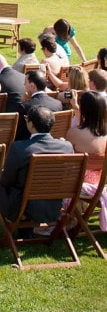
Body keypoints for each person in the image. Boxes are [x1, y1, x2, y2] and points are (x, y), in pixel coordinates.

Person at [0, 106, 74, 226]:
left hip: (23, 207)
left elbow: (7, 180)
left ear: (31, 124)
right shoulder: (66, 147)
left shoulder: (19, 148)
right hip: (54, 205)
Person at [66, 92, 107, 232]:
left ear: (85, 110)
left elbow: (66, 159)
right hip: (99, 182)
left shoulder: (73, 133)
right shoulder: (105, 136)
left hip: (76, 184)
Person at [16, 70, 62, 140]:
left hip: (29, 147)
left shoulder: (24, 107)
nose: (24, 84)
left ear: (32, 86)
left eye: (25, 82)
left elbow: (18, 134)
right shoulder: (58, 104)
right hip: (53, 143)